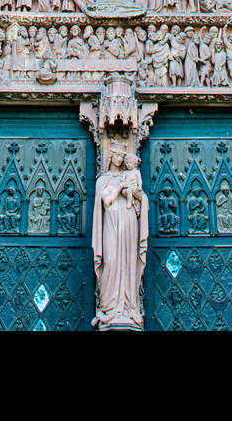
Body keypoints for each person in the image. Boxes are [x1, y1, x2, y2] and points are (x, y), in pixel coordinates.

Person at [91, 140, 148, 330]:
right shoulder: (104, 179)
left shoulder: (131, 175)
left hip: (129, 222)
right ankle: (110, 307)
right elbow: (106, 201)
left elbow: (142, 198)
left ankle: (128, 306)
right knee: (112, 259)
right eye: (116, 155)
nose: (120, 159)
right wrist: (119, 187)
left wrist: (136, 194)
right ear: (110, 156)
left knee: (129, 261)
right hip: (111, 224)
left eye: (122, 156)